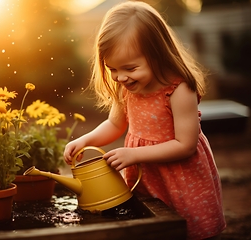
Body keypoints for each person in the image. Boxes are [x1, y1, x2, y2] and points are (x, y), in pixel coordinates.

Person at [63, 1, 226, 239]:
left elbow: (186, 145)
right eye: (113, 69)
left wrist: (134, 155)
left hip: (182, 179)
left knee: (190, 229)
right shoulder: (126, 88)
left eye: (130, 68)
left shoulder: (178, 89)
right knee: (155, 227)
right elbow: (115, 125)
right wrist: (84, 140)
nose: (121, 77)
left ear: (157, 55)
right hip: (147, 176)